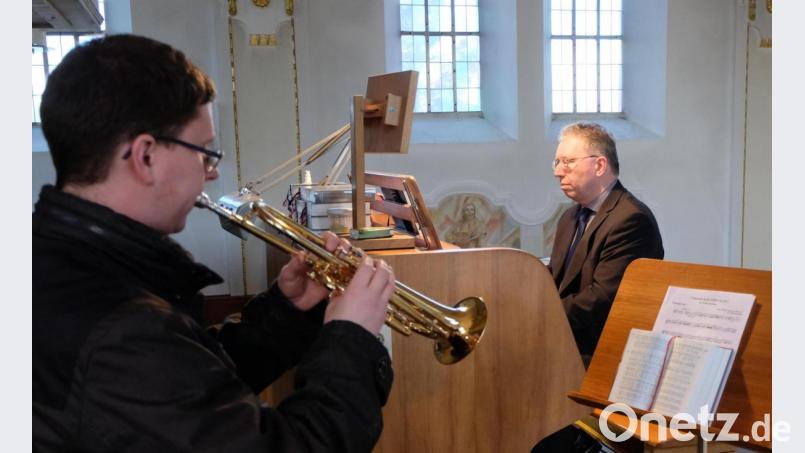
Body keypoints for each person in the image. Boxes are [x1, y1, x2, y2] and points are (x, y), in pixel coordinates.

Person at [33, 34, 396, 452]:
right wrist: (351, 338)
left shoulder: (57, 257)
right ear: (145, 156)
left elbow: (187, 392)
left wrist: (287, 310)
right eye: (203, 151)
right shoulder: (123, 330)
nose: (211, 173)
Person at [547, 123, 664, 367]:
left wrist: (540, 314)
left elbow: (603, 297)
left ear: (599, 165)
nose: (558, 171)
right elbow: (559, 277)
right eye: (556, 162)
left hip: (603, 357)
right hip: (565, 347)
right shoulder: (569, 217)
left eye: (567, 162)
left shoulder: (630, 219)